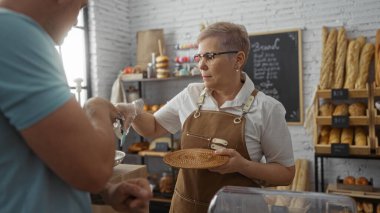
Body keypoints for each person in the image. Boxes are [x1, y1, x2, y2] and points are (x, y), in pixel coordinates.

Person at [118, 22, 295, 213]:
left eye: (210, 56)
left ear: (238, 59)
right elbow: (152, 127)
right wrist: (132, 112)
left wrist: (242, 165)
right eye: (199, 56)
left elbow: (285, 174)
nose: (200, 65)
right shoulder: (191, 94)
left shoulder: (267, 108)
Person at [0, 0, 151, 212]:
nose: (76, 20)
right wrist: (97, 106)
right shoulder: (13, 32)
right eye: (80, 6)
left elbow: (39, 151)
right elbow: (95, 169)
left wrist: (107, 190)